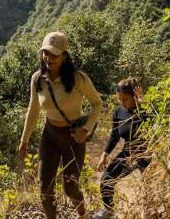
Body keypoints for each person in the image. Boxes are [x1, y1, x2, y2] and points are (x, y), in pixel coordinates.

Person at [19, 32, 104, 219]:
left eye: (54, 54)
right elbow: (33, 111)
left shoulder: (78, 78)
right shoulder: (37, 79)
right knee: (44, 187)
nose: (48, 58)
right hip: (49, 135)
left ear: (64, 55)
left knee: (70, 188)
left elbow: (97, 103)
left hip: (74, 139)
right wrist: (24, 140)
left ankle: (82, 214)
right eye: (45, 53)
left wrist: (86, 129)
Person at [93, 78, 152, 219]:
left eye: (125, 99)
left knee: (151, 187)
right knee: (106, 180)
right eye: (119, 99)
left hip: (148, 154)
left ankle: (151, 213)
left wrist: (145, 104)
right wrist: (104, 155)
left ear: (134, 96)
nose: (121, 102)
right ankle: (108, 211)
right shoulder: (119, 111)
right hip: (128, 152)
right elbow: (114, 135)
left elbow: (158, 122)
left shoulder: (146, 109)